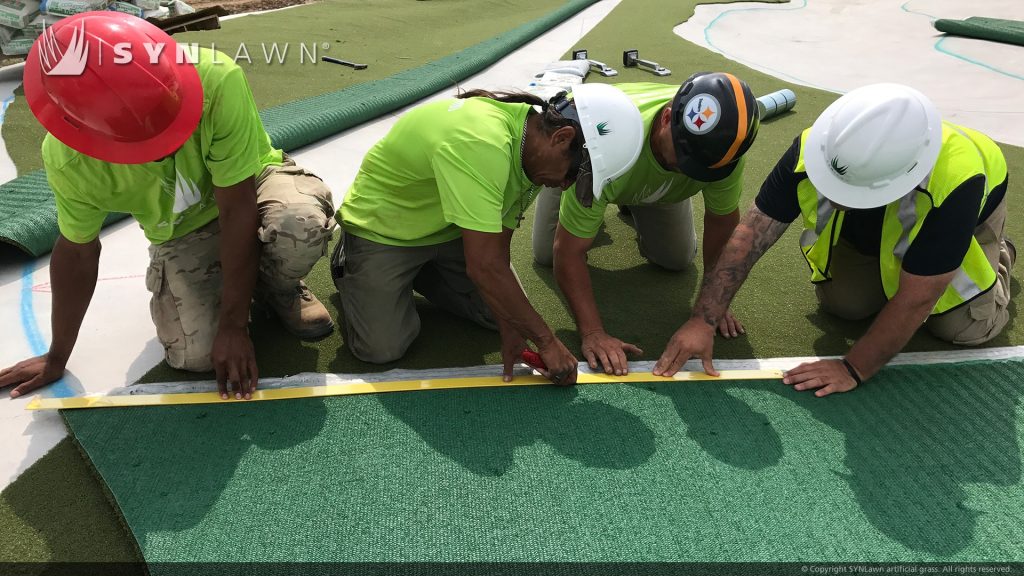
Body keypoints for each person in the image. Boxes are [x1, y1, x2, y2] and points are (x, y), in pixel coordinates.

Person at [0, 13, 335, 401]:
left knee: (298, 225)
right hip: (181, 227)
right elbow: (77, 252)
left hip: (249, 187)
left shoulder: (216, 78)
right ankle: (247, 281)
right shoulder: (70, 161)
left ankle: (278, 287)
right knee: (194, 357)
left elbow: (237, 208)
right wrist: (57, 356)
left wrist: (234, 326)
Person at [653, 83, 1014, 397]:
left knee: (959, 327)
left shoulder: (957, 181)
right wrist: (704, 319)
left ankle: (1000, 257)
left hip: (962, 218)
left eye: (851, 190)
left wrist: (854, 368)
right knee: (845, 305)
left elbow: (918, 298)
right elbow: (750, 235)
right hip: (880, 227)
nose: (835, 197)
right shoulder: (819, 146)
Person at [330, 83, 644, 385]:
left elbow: (496, 253)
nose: (566, 185)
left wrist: (510, 326)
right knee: (382, 349)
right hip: (383, 232)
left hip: (450, 231)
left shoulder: (532, 148)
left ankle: (421, 274)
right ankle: (350, 265)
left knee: (504, 315)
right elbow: (485, 266)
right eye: (575, 173)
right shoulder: (482, 141)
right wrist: (547, 341)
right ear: (562, 137)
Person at [531, 74, 760, 376]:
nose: (691, 171)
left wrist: (713, 304)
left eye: (704, 169)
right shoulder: (605, 142)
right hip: (589, 159)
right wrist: (593, 333)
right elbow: (567, 253)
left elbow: (721, 222)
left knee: (676, 258)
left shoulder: (723, 154)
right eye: (687, 158)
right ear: (666, 118)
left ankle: (634, 200)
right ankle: (600, 205)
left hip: (641, 179)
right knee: (547, 253)